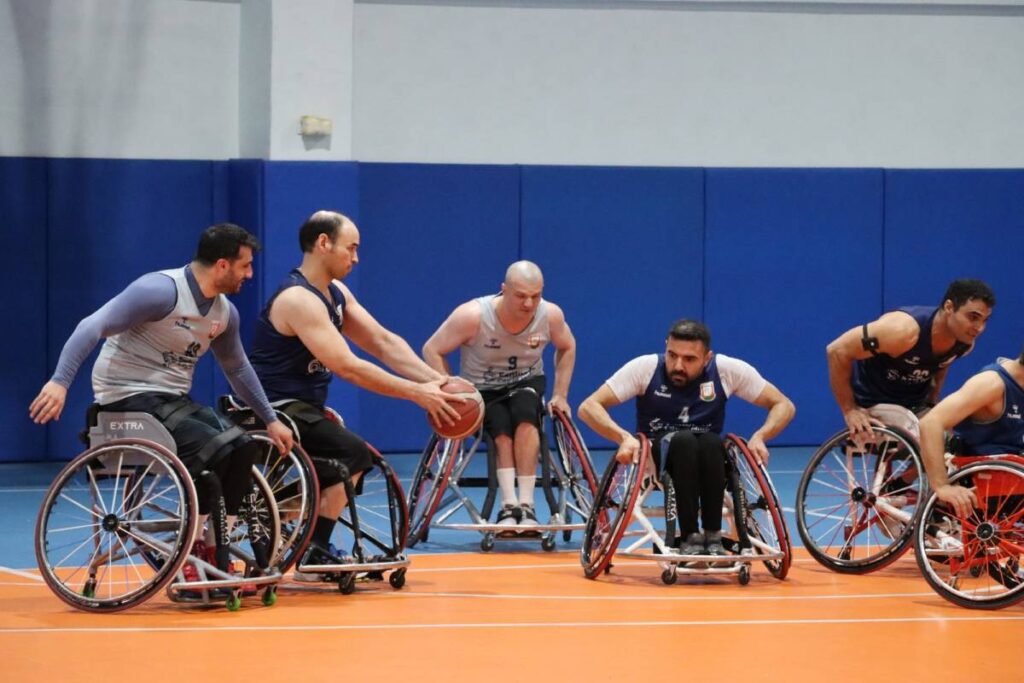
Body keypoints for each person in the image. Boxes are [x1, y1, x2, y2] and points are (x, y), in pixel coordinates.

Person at [29, 223, 294, 577]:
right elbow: (91, 326)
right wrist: (60, 381)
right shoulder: (158, 291)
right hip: (125, 396)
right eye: (245, 266)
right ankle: (192, 544)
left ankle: (216, 545)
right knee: (213, 449)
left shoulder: (224, 313)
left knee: (243, 447)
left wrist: (270, 418)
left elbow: (238, 368)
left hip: (171, 401)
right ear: (221, 265)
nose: (250, 274)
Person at [248, 210, 462, 578]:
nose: (357, 257)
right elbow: (348, 366)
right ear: (323, 243)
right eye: (352, 248)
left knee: (346, 460)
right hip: (275, 408)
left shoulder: (336, 294)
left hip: (304, 408)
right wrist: (416, 393)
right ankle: (312, 552)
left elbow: (382, 342)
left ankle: (293, 524)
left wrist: (438, 381)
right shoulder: (298, 299)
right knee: (352, 453)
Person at [578, 319, 794, 556]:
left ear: (707, 358)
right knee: (684, 440)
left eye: (689, 359)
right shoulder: (646, 368)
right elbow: (589, 406)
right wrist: (623, 437)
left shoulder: (726, 370)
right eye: (672, 355)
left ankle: (712, 535)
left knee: (712, 441)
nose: (678, 365)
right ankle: (690, 534)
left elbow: (783, 404)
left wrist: (761, 436)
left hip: (708, 455)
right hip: (658, 457)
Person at [422, 261, 576, 531]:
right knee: (500, 428)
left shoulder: (550, 315)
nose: (529, 303)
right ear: (503, 290)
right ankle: (508, 505)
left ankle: (527, 506)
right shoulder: (472, 315)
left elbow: (567, 346)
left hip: (526, 382)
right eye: (520, 295)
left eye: (535, 295)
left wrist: (560, 394)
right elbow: (432, 350)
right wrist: (448, 388)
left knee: (526, 416)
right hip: (483, 389)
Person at [826, 279, 995, 443]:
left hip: (913, 405)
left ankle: (913, 473)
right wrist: (850, 410)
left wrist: (932, 401)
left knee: (963, 441)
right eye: (973, 317)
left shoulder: (964, 343)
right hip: (872, 401)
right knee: (932, 440)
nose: (979, 328)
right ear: (949, 307)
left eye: (985, 320)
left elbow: (942, 364)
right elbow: (837, 350)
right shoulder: (902, 331)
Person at [919, 352, 1024, 518]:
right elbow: (930, 423)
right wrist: (942, 486)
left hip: (1015, 473)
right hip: (985, 477)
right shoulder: (991, 384)